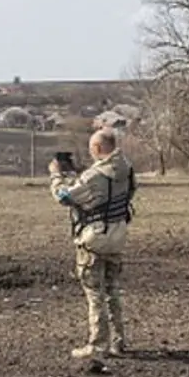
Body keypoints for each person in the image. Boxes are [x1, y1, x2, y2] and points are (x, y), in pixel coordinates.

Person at [48, 128, 135, 360]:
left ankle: (97, 345)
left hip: (94, 238)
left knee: (95, 293)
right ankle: (118, 341)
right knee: (112, 291)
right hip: (117, 234)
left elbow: (63, 197)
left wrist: (56, 175)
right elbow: (125, 195)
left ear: (97, 148)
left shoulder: (93, 176)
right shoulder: (126, 168)